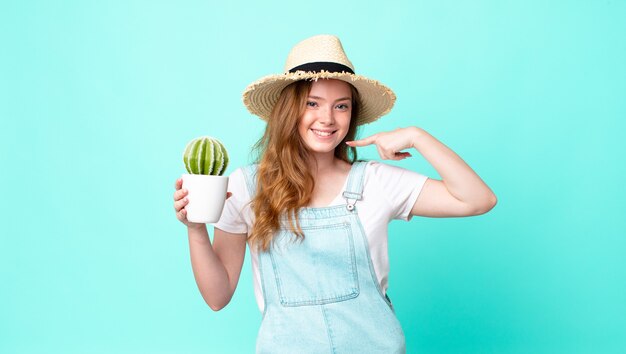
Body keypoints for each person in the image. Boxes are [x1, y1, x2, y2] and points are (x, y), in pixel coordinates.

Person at [173, 34, 496, 353]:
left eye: (341, 106)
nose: (327, 118)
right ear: (289, 110)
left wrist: (417, 137)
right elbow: (218, 297)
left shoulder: (375, 182)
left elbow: (478, 199)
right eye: (312, 103)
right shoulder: (245, 188)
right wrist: (196, 228)